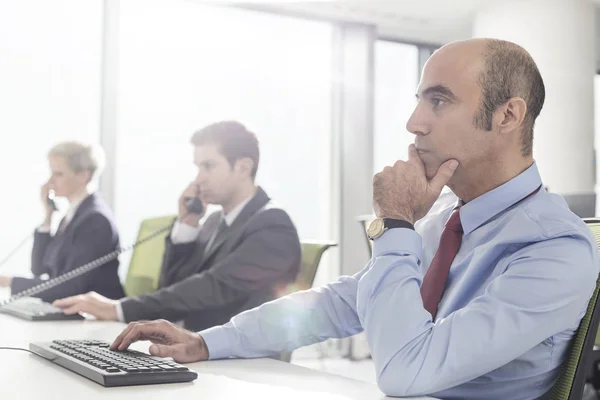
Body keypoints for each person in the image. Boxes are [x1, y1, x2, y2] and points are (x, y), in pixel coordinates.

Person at [107, 39, 600, 399]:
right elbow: (339, 304)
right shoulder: (448, 219)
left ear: (508, 116)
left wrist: (396, 225)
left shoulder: (556, 250)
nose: (414, 123)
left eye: (439, 100)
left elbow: (407, 372)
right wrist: (206, 343)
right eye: (418, 99)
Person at [54, 121, 302, 332]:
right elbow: (173, 288)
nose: (198, 178)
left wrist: (119, 309)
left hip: (239, 363)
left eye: (209, 166)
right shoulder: (214, 222)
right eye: (197, 167)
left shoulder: (273, 226)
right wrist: (187, 227)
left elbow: (211, 287)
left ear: (243, 167)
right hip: (194, 347)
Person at [0, 141, 124, 303]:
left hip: (97, 319)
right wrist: (48, 216)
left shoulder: (95, 219)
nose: (50, 181)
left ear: (83, 176)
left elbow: (73, 287)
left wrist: (9, 282)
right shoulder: (72, 216)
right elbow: (39, 268)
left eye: (58, 174)